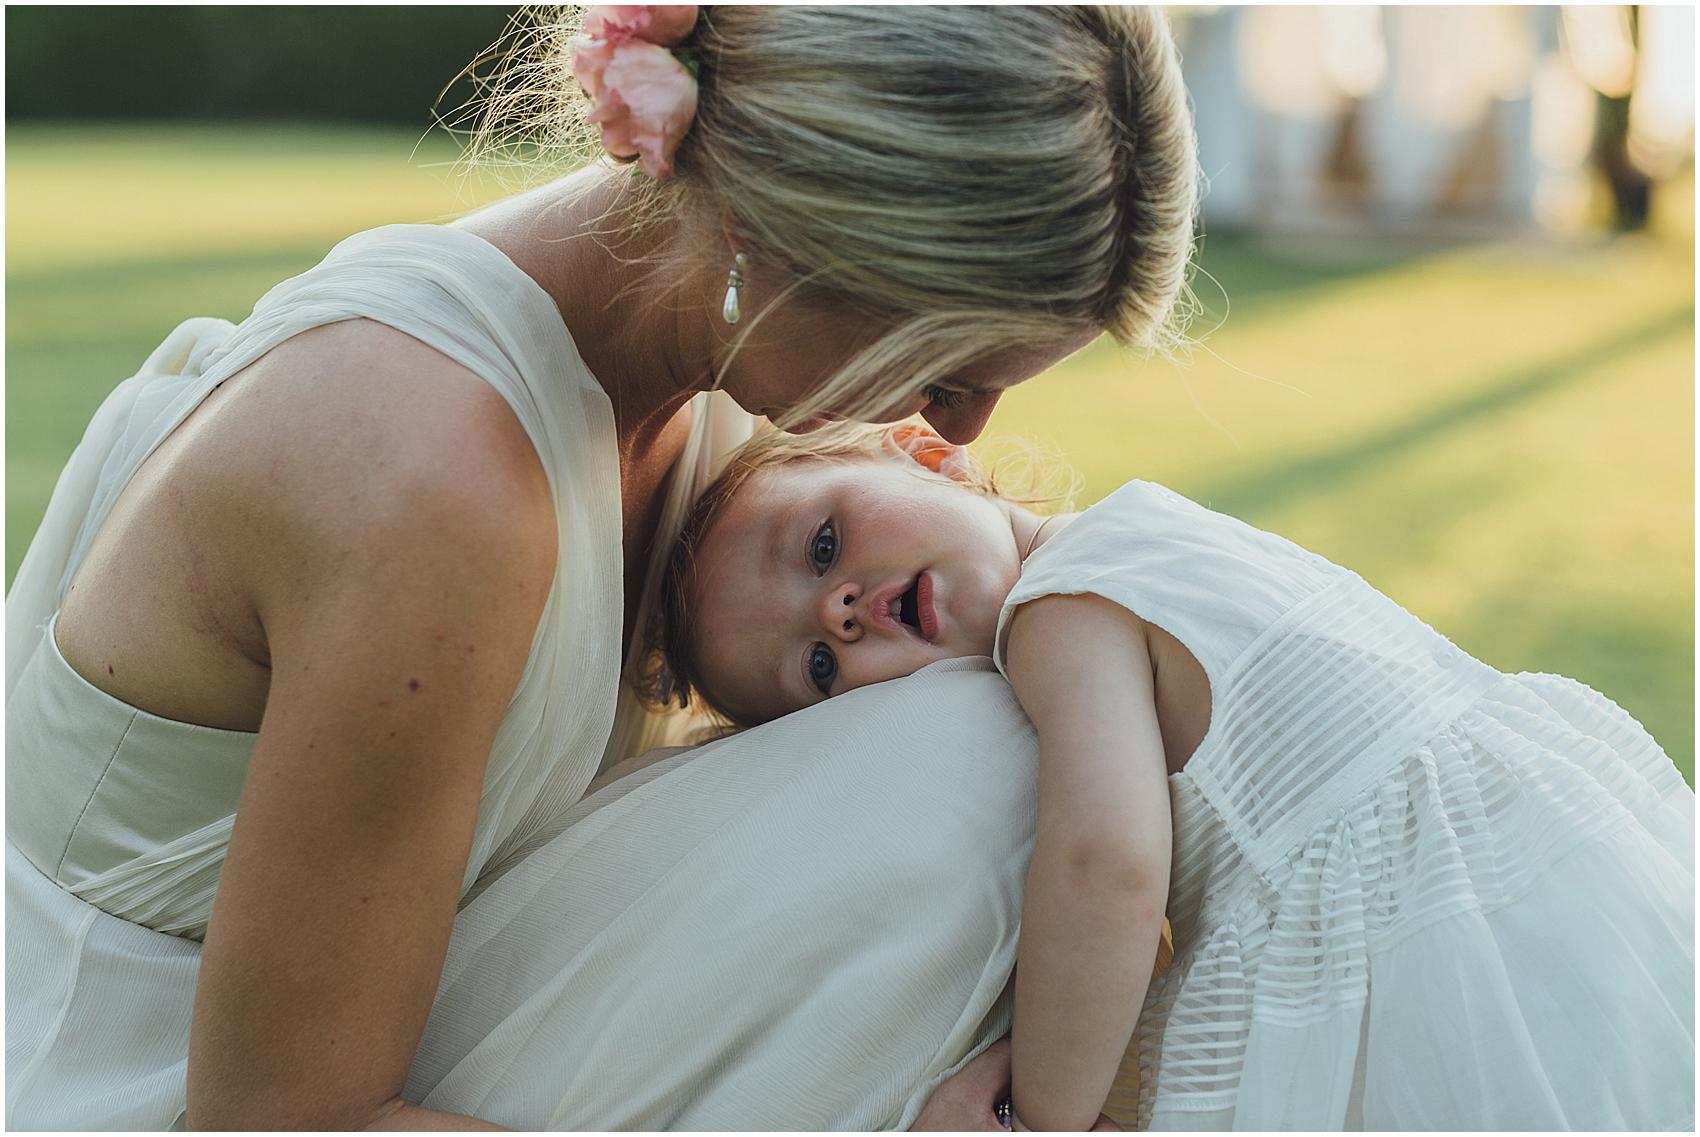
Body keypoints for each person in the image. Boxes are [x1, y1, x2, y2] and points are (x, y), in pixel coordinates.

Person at [4, 5, 1201, 1130]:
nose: (964, 435)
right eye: (944, 371)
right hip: (126, 1086)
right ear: (770, 237)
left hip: (410, 1050)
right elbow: (277, 1123)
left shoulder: (718, 397)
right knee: (974, 761)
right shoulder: (431, 480)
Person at [649, 420, 1696, 1130]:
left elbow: (1105, 856)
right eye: (818, 668)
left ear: (927, 454)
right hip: (1544, 860)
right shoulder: (1144, 524)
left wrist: (1042, 1116)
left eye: (824, 543)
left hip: (1419, 931)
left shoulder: (1058, 611)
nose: (836, 609)